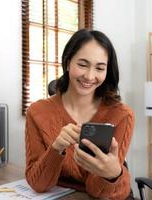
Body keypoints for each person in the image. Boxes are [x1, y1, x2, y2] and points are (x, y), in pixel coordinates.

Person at [25, 29, 135, 200]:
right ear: (68, 63)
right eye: (82, 65)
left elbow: (96, 190)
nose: (90, 76)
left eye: (100, 68)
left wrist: (113, 174)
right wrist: (56, 149)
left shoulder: (121, 115)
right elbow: (38, 184)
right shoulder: (38, 112)